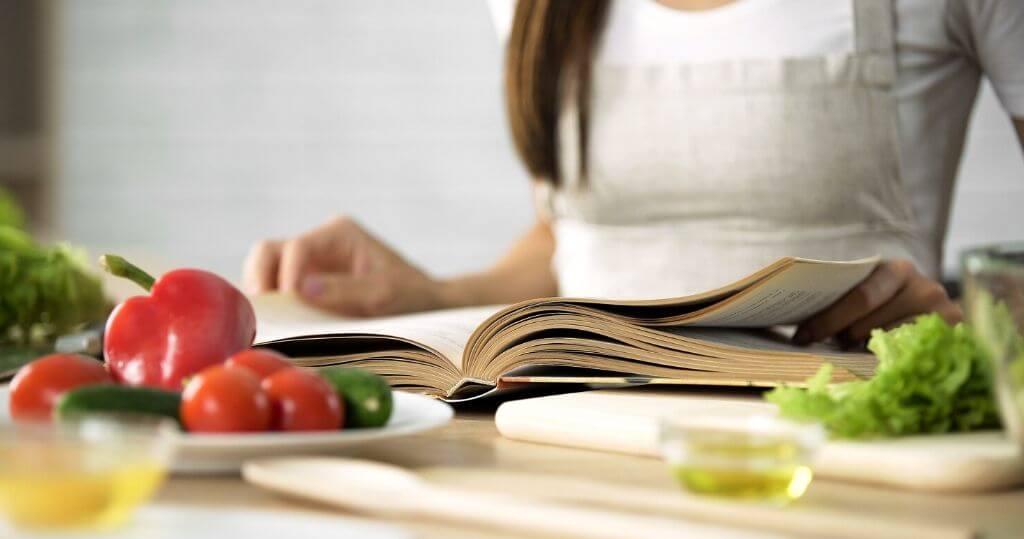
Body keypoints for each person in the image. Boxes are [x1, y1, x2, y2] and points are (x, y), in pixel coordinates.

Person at [244, 0, 1024, 345]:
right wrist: (434, 295)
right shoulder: (535, 7)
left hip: (850, 461)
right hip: (579, 453)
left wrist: (980, 336)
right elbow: (580, 238)